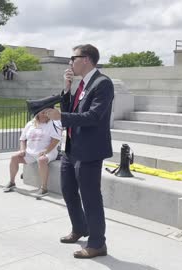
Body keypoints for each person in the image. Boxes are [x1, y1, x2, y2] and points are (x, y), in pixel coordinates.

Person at [45, 44, 114, 259]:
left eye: (72, 58)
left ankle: (97, 243)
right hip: (72, 148)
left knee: (91, 197)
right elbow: (71, 111)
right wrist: (67, 89)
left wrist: (61, 117)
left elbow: (93, 117)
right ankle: (80, 228)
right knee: (68, 191)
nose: (70, 63)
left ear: (85, 59)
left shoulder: (103, 84)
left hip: (90, 151)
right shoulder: (82, 84)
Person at [2, 107, 61, 197]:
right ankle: (12, 182)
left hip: (49, 152)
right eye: (43, 112)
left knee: (42, 160)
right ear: (38, 113)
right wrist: (22, 150)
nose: (45, 114)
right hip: (31, 152)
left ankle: (44, 188)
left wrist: (46, 151)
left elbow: (56, 139)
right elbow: (23, 139)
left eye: (47, 112)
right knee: (14, 157)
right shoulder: (30, 124)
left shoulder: (53, 123)